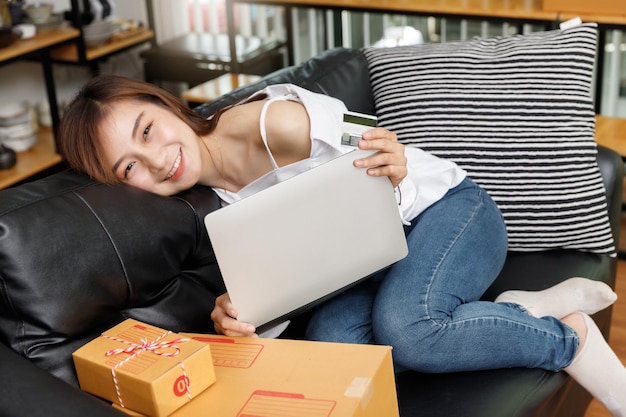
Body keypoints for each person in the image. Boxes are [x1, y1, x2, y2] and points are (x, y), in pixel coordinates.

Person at [57, 74, 625, 416]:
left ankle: (566, 339)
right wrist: (247, 315)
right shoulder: (211, 203)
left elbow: (370, 138)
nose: (155, 160)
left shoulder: (272, 122)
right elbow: (302, 273)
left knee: (409, 331)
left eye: (147, 130)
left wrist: (393, 163)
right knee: (335, 352)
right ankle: (515, 311)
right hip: (373, 264)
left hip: (446, 212)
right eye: (128, 165)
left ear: (163, 105)